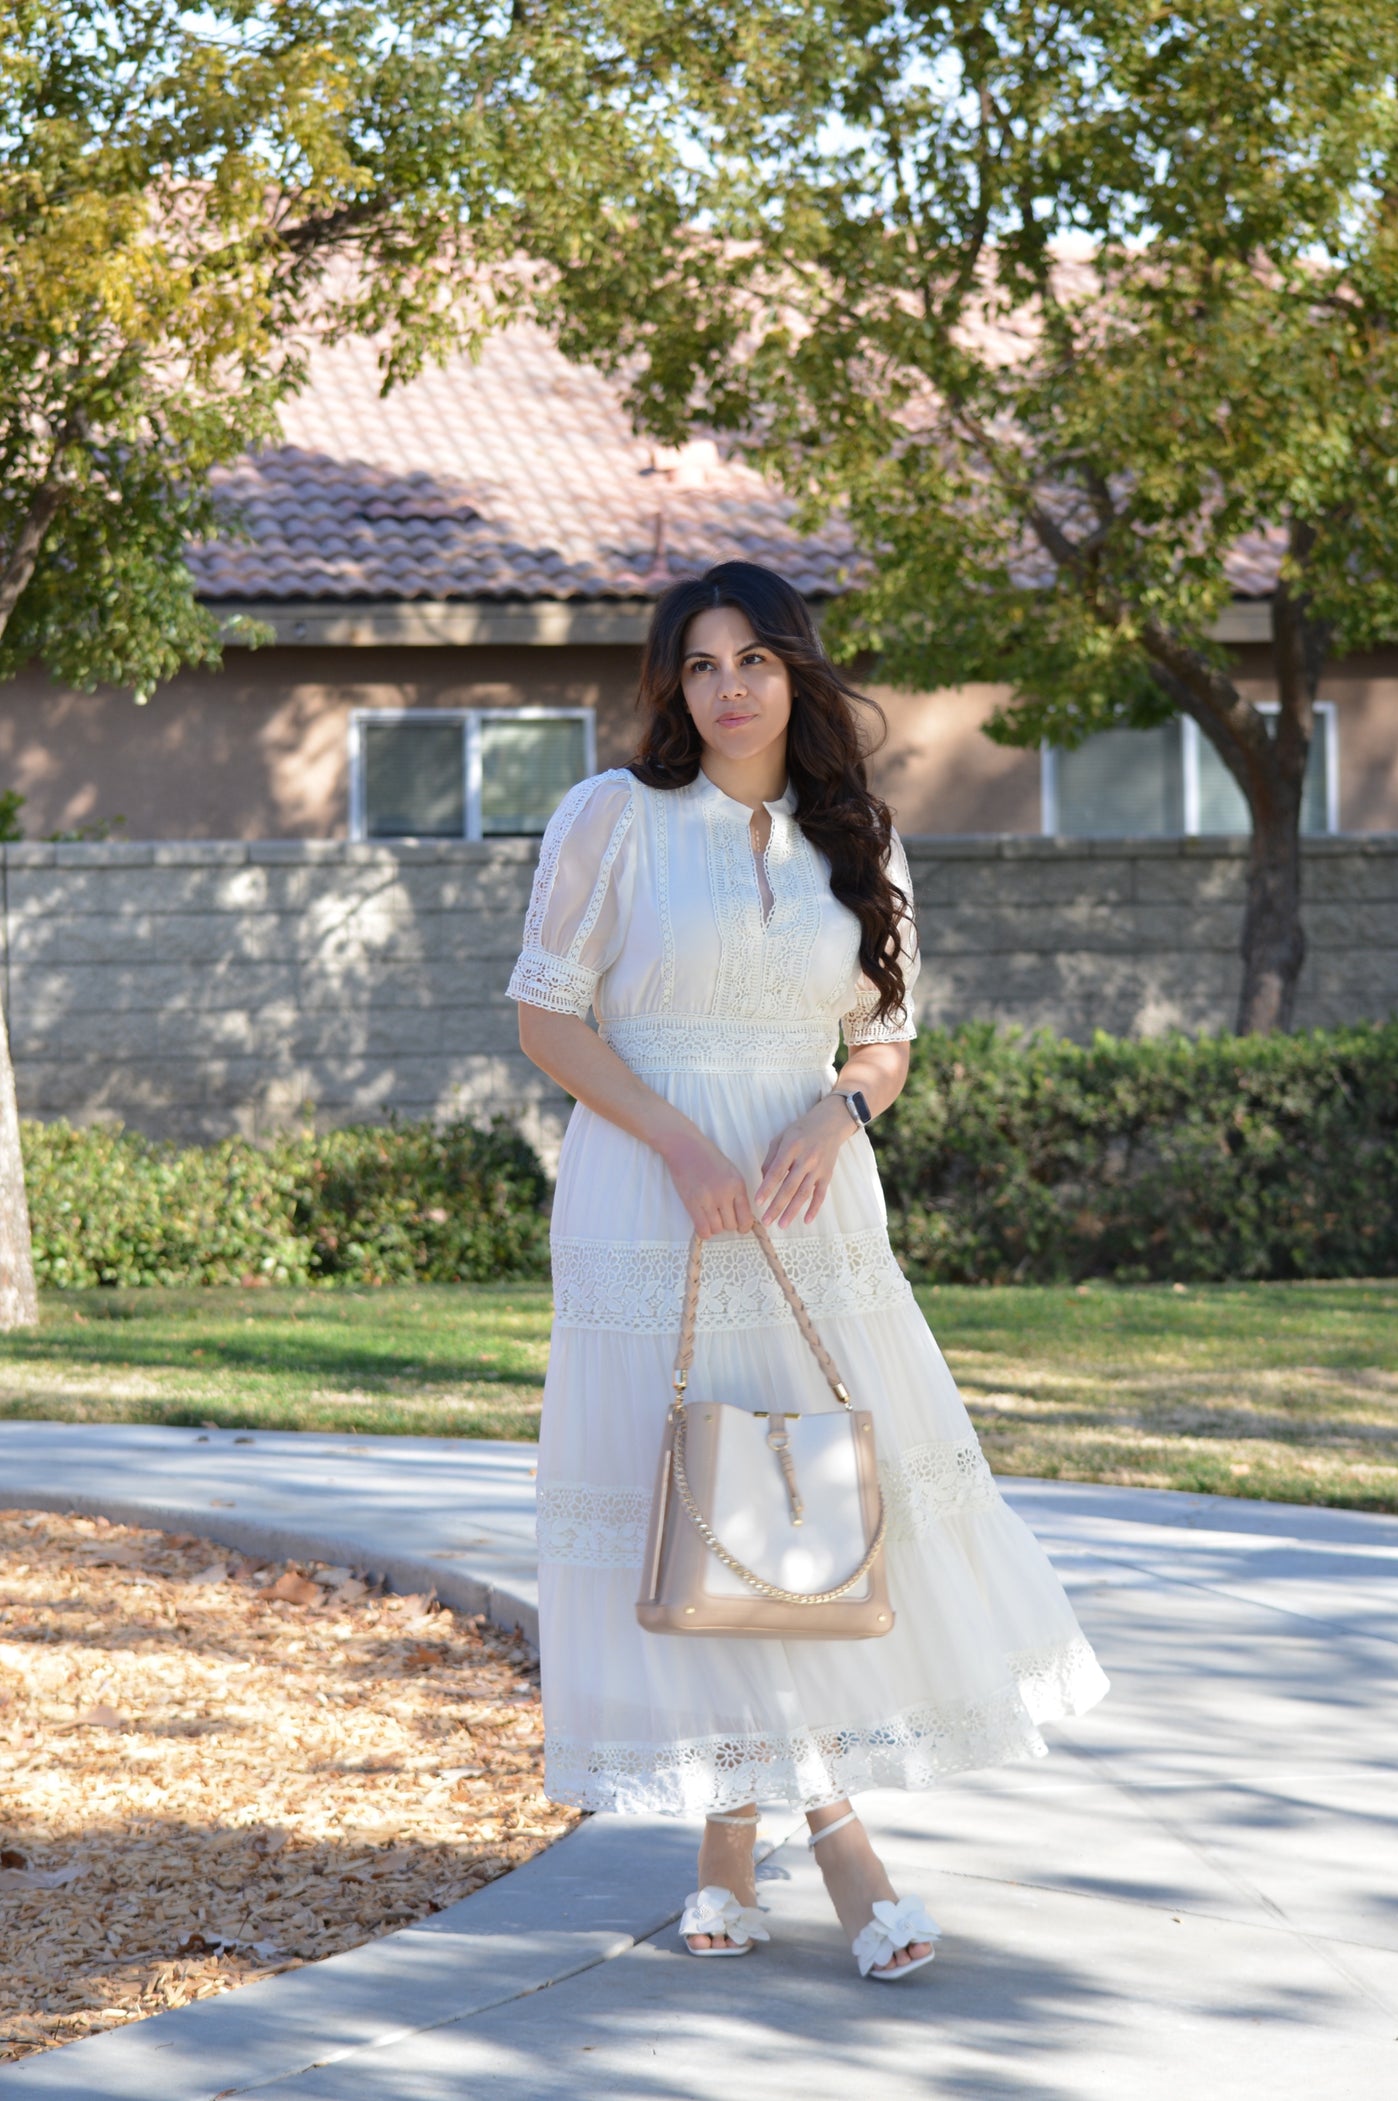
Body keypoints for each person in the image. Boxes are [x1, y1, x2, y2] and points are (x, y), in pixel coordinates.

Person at [510, 560, 1108, 1980]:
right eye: (701, 663)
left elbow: (885, 1042)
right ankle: (843, 1849)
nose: (728, 687)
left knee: (795, 1504)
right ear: (674, 683)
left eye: (755, 660)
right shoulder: (613, 817)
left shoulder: (861, 832)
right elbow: (548, 1018)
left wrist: (834, 1111)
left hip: (808, 1199)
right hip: (653, 1198)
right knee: (698, 1499)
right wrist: (678, 1143)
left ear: (799, 673)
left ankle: (726, 1852)